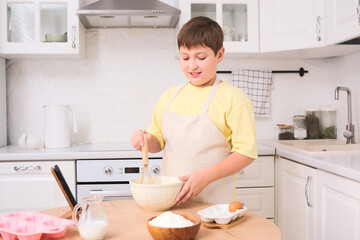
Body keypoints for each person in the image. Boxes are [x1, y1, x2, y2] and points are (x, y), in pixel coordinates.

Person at [131, 16, 257, 205]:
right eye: (185, 57)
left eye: (201, 57)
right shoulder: (169, 96)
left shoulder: (234, 99)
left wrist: (206, 176)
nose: (192, 65)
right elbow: (158, 143)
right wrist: (145, 141)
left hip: (214, 205)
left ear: (219, 55)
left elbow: (246, 153)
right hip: (172, 203)